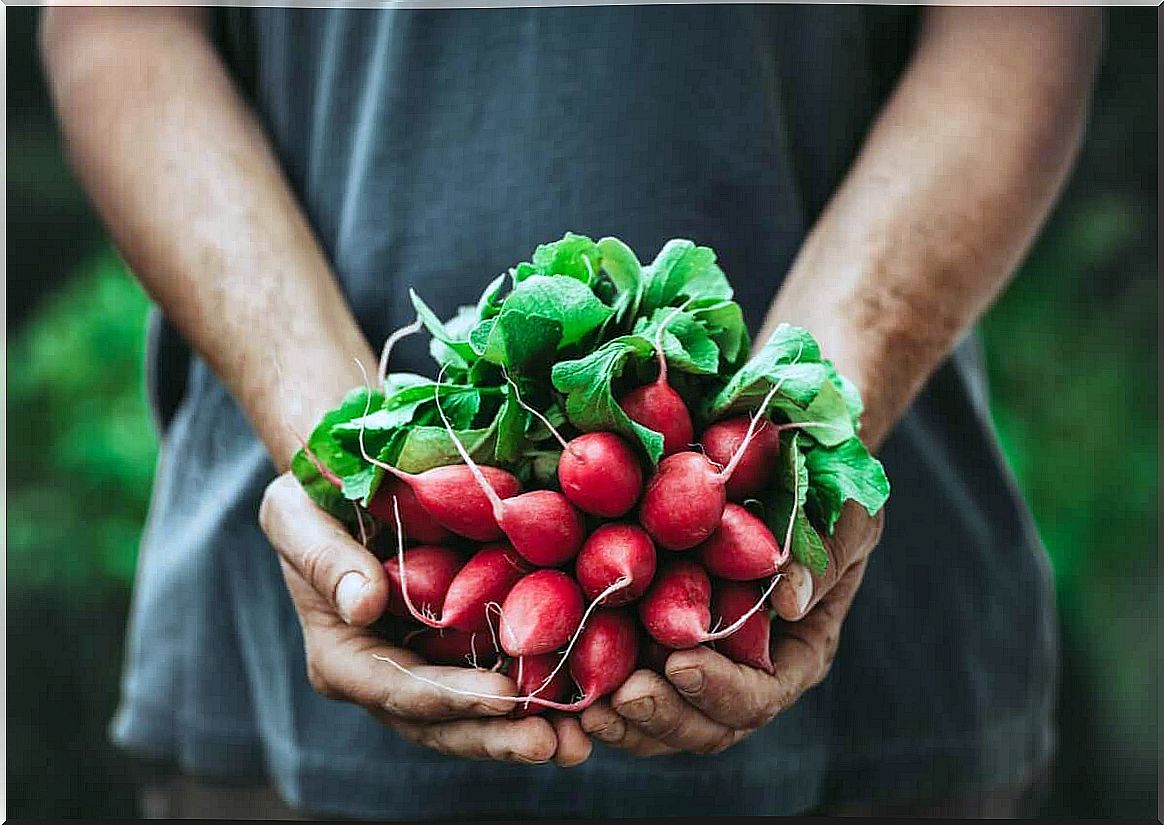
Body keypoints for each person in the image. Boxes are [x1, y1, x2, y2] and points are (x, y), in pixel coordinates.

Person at [41, 4, 1100, 819]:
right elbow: (118, 26)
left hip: (884, 678)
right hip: (267, 673)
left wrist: (800, 442)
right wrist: (341, 447)